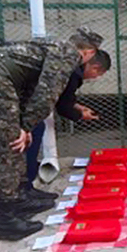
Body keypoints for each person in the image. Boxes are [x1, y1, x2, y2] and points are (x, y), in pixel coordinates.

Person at [0, 28, 103, 241]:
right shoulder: (68, 54)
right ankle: (5, 221)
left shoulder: (55, 45)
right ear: (89, 52)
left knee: (18, 141)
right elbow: (46, 95)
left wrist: (25, 125)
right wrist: (25, 127)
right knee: (8, 148)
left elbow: (30, 88)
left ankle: (21, 197)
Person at [25, 49, 111, 200]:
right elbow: (63, 107)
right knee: (33, 132)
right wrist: (80, 115)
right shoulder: (74, 73)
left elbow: (62, 96)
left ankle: (27, 173)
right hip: (24, 100)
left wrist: (77, 107)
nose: (95, 78)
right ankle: (26, 186)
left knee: (35, 131)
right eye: (98, 74)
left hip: (27, 97)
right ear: (95, 67)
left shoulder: (70, 66)